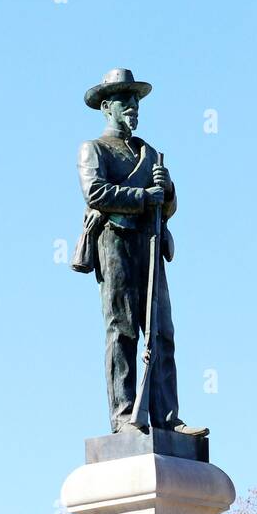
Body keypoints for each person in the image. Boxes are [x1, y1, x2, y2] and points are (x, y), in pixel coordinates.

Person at [73, 68, 208, 438]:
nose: (133, 107)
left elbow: (169, 204)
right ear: (107, 107)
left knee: (161, 330)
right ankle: (123, 414)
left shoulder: (149, 153)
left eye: (136, 100)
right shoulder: (94, 149)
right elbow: (96, 193)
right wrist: (144, 196)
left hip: (149, 241)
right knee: (123, 330)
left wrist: (166, 193)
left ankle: (167, 416)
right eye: (125, 100)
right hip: (114, 240)